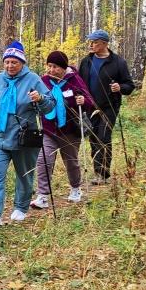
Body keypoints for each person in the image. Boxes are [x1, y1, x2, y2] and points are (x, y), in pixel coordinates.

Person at [0, 41, 55, 226]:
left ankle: (21, 207)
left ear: (22, 63)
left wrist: (40, 98)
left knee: (24, 175)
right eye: (7, 62)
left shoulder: (33, 79)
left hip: (23, 138)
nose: (10, 66)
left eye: (14, 62)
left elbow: (50, 105)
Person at [30, 51, 96, 209]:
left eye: (55, 67)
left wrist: (82, 100)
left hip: (69, 130)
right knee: (44, 160)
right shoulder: (43, 80)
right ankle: (43, 195)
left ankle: (75, 189)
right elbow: (36, 98)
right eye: (49, 66)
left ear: (63, 67)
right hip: (49, 128)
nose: (51, 70)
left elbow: (89, 101)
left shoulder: (74, 80)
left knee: (71, 162)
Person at [77, 30, 135, 184]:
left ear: (104, 43)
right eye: (91, 42)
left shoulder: (118, 62)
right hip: (90, 107)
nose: (91, 45)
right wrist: (80, 97)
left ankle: (102, 173)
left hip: (109, 107)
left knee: (103, 137)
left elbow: (130, 85)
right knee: (94, 138)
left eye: (94, 42)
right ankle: (98, 171)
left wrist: (120, 87)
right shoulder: (86, 62)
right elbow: (79, 84)